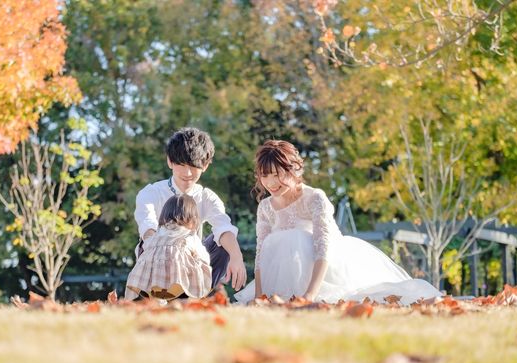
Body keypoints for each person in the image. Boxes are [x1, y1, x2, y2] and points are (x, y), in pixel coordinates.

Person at [234, 140, 442, 305]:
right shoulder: (266, 207)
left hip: (328, 265)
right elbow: (262, 253)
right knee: (274, 241)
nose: (270, 182)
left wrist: (309, 295)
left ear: (293, 171)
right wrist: (259, 296)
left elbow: (323, 248)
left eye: (277, 174)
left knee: (295, 237)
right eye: (265, 175)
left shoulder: (314, 198)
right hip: (287, 270)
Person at [134, 127, 246, 291]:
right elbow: (147, 225)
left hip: (191, 261)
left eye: (194, 166)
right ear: (170, 161)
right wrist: (166, 251)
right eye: (181, 164)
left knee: (225, 244)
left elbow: (223, 226)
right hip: (156, 258)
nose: (187, 173)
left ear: (205, 165)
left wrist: (237, 257)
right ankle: (158, 294)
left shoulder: (206, 197)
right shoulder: (152, 192)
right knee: (152, 243)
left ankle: (197, 294)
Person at [126, 194, 212, 300]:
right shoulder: (189, 235)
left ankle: (157, 298)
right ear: (193, 219)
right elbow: (203, 257)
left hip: (149, 282)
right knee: (200, 264)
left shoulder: (158, 234)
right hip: (178, 284)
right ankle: (189, 296)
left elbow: (144, 247)